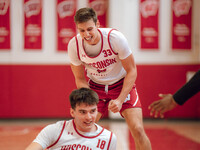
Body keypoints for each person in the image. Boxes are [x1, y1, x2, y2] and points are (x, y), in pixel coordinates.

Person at [68, 7, 151, 150]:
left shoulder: (115, 38)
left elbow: (132, 71)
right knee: (82, 132)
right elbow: (80, 78)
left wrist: (120, 99)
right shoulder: (74, 45)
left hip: (121, 85)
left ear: (98, 25)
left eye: (89, 29)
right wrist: (91, 99)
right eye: (81, 30)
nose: (86, 34)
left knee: (137, 129)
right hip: (95, 88)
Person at [25, 88, 117, 150]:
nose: (89, 117)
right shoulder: (55, 130)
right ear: (72, 112)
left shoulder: (108, 138)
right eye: (83, 112)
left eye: (92, 111)